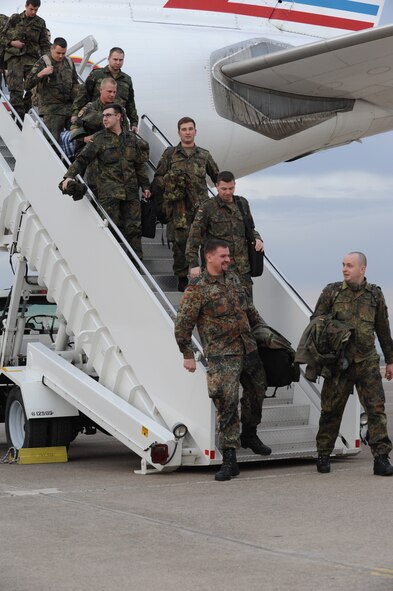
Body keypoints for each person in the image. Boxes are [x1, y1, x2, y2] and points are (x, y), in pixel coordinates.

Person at [174, 238, 271, 481]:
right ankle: (230, 458)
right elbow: (182, 325)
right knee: (227, 404)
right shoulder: (198, 288)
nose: (228, 259)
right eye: (223, 256)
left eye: (228, 256)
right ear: (209, 257)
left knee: (258, 390)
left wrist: (264, 332)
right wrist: (188, 354)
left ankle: (249, 433)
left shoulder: (234, 279)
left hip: (247, 348)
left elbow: (249, 309)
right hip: (221, 354)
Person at [313, 251, 393, 476]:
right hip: (340, 362)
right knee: (331, 410)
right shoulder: (332, 292)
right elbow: (316, 321)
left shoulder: (375, 295)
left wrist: (390, 360)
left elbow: (383, 329)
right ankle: (323, 454)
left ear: (362, 269)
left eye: (349, 265)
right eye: (343, 265)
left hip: (367, 362)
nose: (344, 269)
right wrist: (334, 331)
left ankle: (381, 458)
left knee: (376, 410)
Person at [61, 103, 150, 259]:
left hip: (131, 192)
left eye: (108, 115)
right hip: (110, 193)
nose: (105, 118)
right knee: (111, 230)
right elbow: (82, 159)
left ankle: (137, 265)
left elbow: (138, 166)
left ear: (118, 116)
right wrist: (69, 176)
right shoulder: (99, 139)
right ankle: (112, 262)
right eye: (103, 116)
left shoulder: (131, 138)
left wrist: (146, 186)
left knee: (134, 230)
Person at [153, 117, 219, 292]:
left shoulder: (204, 155)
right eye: (184, 129)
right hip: (178, 208)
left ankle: (205, 278)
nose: (187, 132)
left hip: (200, 208)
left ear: (195, 132)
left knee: (205, 243)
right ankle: (182, 278)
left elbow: (217, 178)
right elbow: (158, 177)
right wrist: (170, 183)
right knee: (180, 243)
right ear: (179, 132)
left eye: (190, 129)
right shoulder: (170, 154)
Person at [186, 170, 263, 300]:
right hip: (219, 269)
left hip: (242, 270)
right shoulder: (207, 207)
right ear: (216, 186)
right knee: (221, 308)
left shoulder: (242, 203)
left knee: (246, 309)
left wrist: (257, 238)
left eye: (231, 188)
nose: (228, 192)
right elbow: (194, 237)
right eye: (224, 189)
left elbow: (250, 228)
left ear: (235, 185)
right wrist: (193, 264)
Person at [24, 37, 79, 142]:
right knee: (52, 143)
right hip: (51, 110)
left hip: (68, 108)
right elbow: (27, 85)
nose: (61, 56)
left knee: (78, 138)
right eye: (58, 53)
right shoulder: (43, 62)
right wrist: (41, 73)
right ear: (52, 49)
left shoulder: (68, 62)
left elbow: (75, 83)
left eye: (63, 53)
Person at [3, 0, 50, 119]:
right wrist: (12, 42)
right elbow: (1, 36)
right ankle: (17, 119)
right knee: (16, 92)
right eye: (31, 9)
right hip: (15, 60)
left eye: (36, 10)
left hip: (32, 60)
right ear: (26, 6)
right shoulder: (15, 19)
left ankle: (24, 112)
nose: (33, 12)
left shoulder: (40, 22)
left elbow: (44, 44)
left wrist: (46, 61)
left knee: (35, 89)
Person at [72, 47, 138, 132]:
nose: (118, 62)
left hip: (118, 122)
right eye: (115, 59)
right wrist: (75, 114)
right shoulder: (97, 75)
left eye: (121, 60)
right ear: (109, 59)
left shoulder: (127, 80)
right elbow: (83, 95)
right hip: (97, 121)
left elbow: (130, 103)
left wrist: (134, 123)